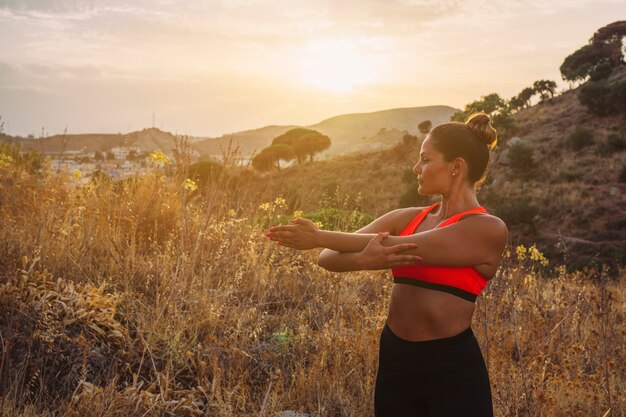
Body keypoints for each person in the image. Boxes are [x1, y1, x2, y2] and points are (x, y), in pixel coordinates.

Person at [265, 112, 508, 417]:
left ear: (456, 166)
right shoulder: (407, 217)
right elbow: (327, 257)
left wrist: (318, 235)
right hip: (395, 358)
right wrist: (363, 259)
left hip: (451, 367)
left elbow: (407, 247)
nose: (416, 168)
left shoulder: (487, 228)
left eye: (425, 159)